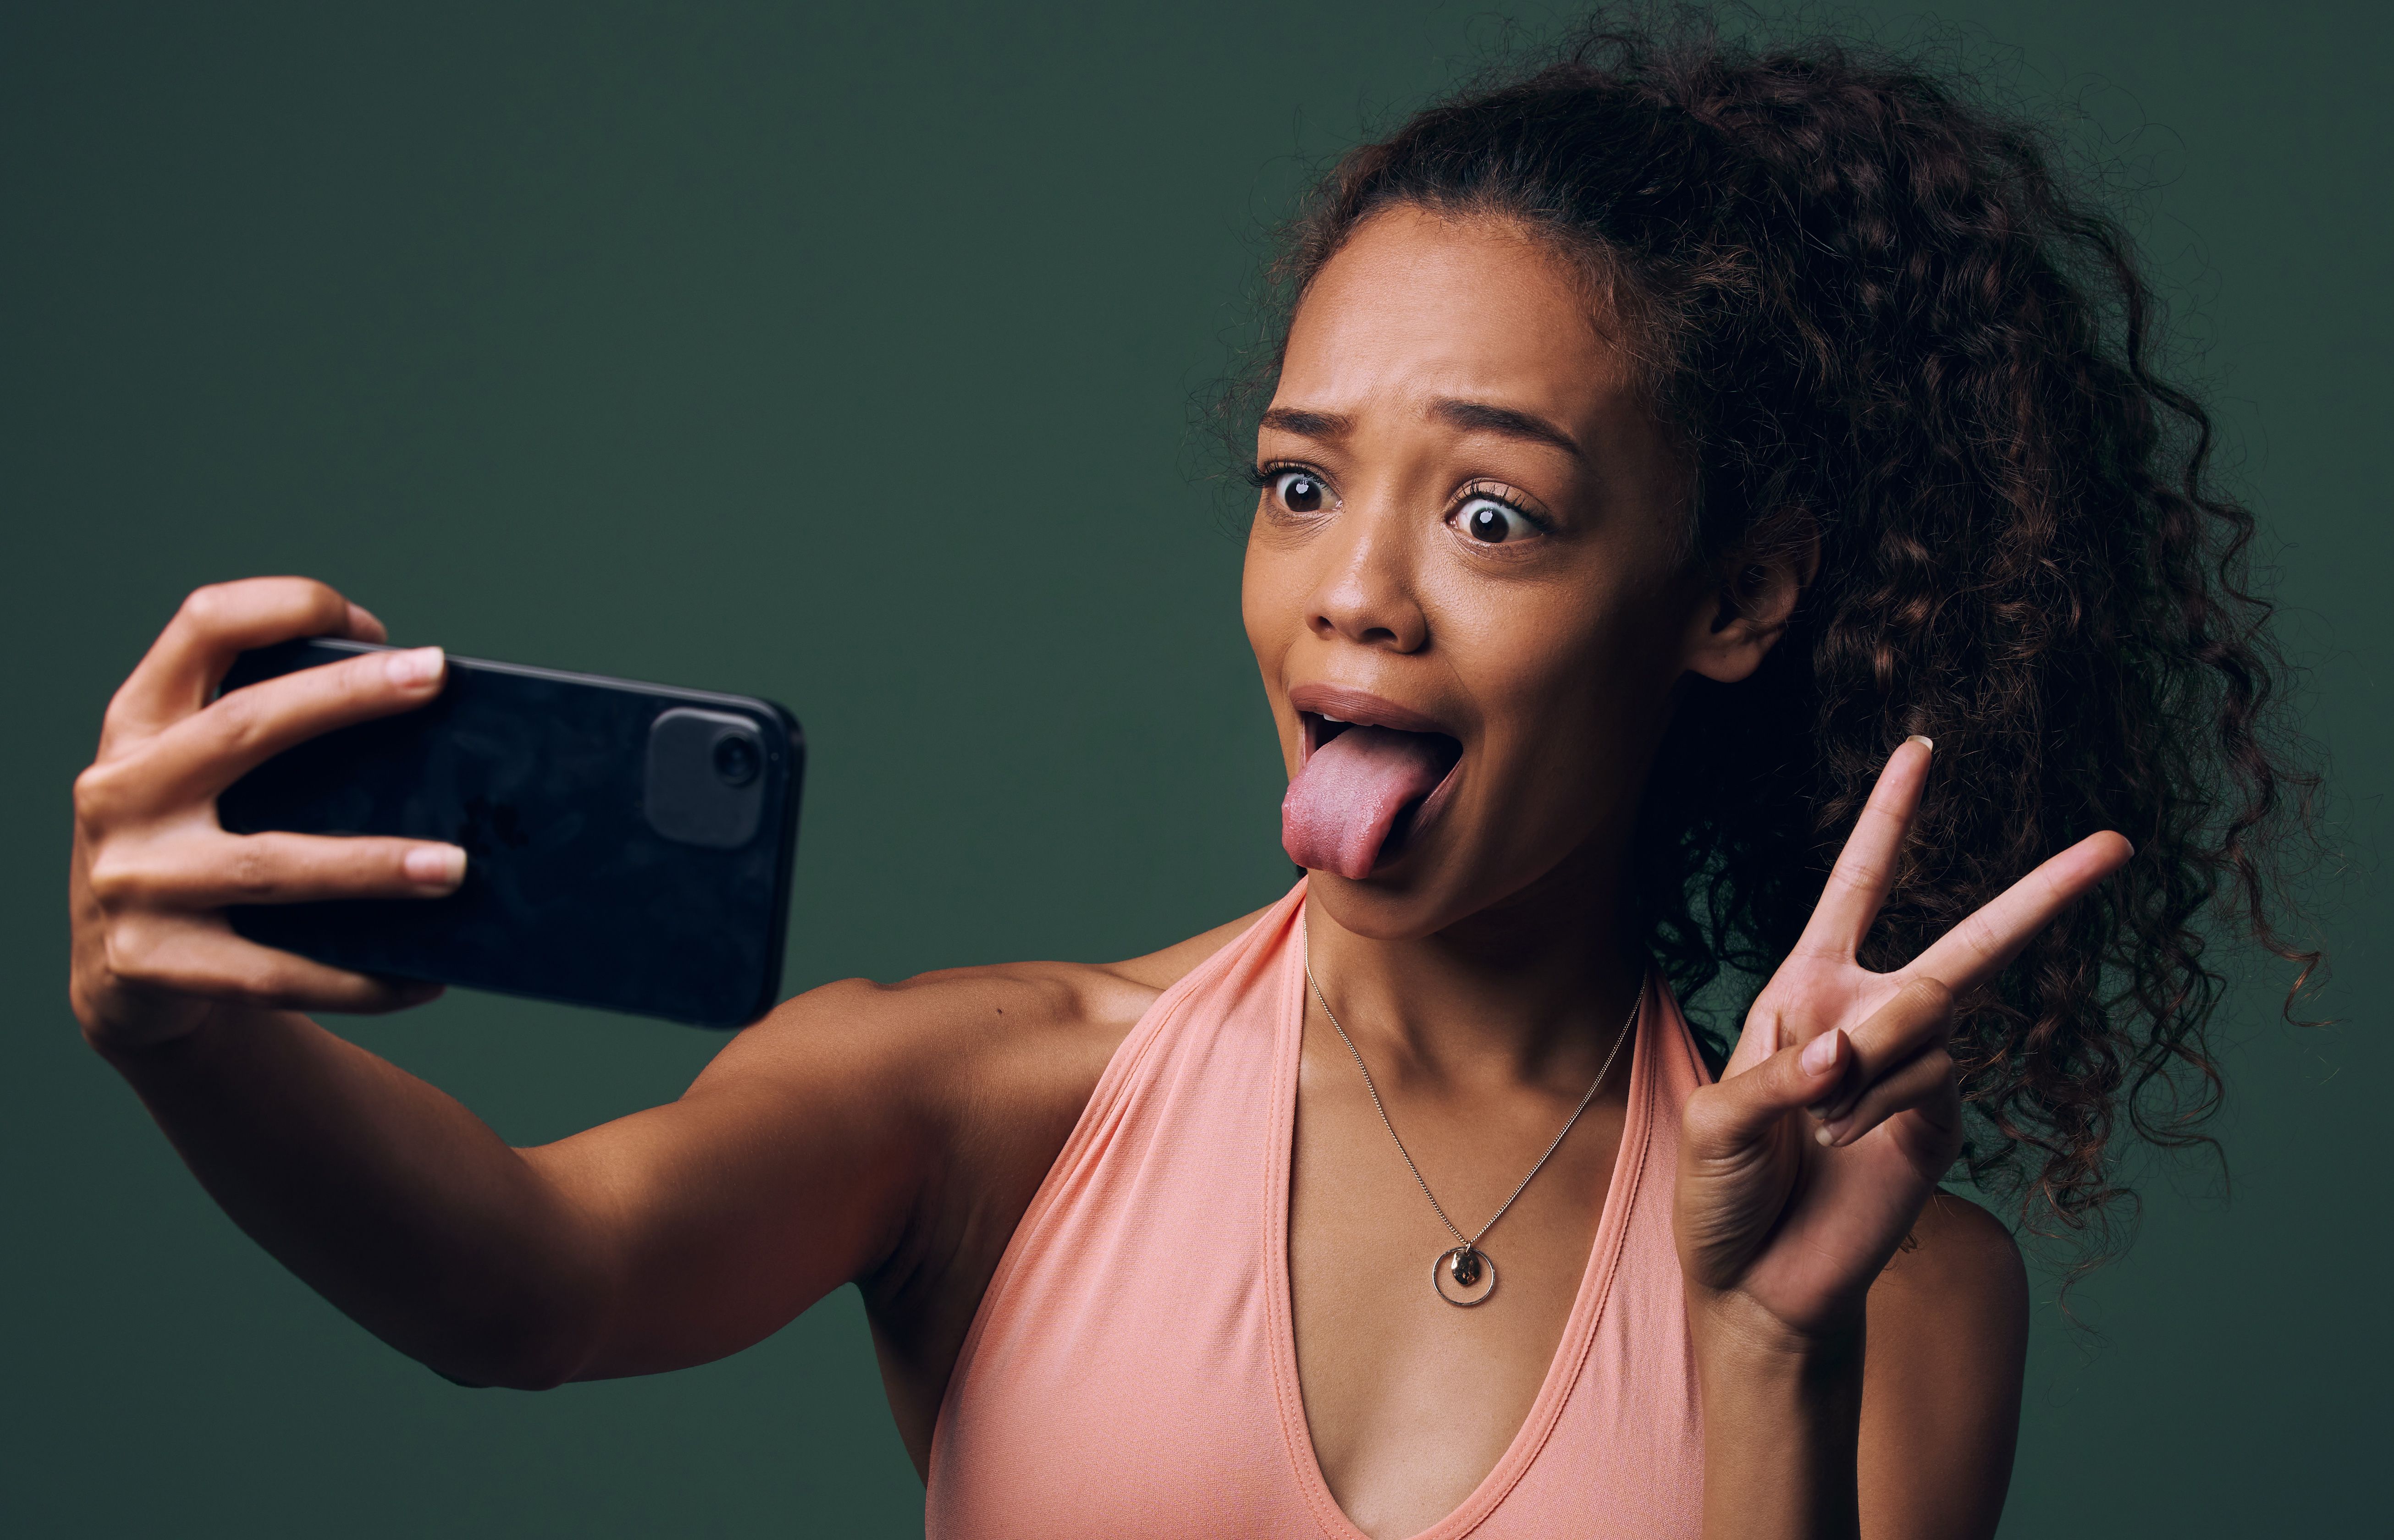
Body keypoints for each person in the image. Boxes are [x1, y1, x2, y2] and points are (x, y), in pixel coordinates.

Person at [66, 15, 2309, 1540]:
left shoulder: (1894, 1295)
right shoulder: (991, 1098)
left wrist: (1752, 1344)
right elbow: (528, 1284)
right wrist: (187, 1037)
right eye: (1300, 486)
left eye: (1493, 515)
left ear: (1732, 596)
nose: (1356, 597)